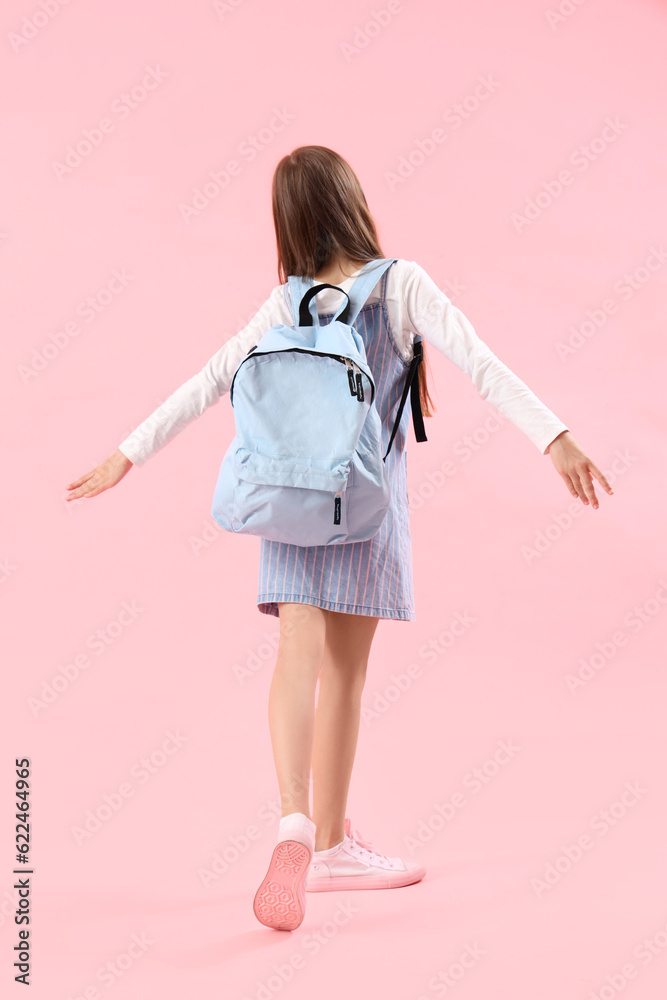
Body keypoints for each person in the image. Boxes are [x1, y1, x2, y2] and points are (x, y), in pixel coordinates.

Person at [65, 145, 613, 932]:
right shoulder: (399, 285)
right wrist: (553, 437)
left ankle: (294, 820)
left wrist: (126, 454)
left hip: (286, 503)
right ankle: (331, 846)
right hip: (362, 509)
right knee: (345, 680)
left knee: (295, 658)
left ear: (286, 220)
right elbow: (481, 364)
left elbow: (207, 380)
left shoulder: (284, 302)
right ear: (350, 200)